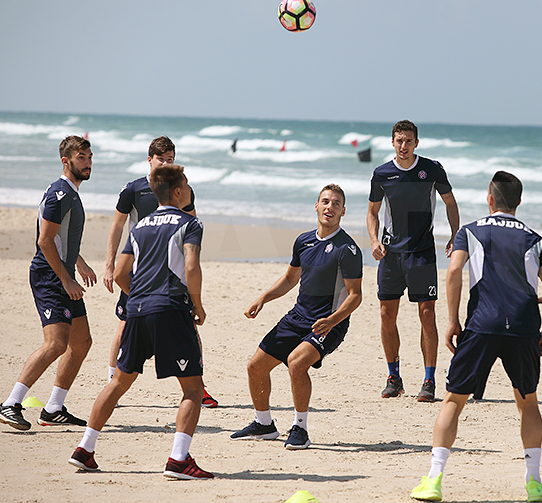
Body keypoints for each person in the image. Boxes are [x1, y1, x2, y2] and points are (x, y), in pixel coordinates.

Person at [411, 171, 542, 502]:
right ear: (518, 202)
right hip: (522, 325)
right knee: (528, 401)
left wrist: (452, 320)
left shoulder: (471, 231)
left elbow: (453, 271)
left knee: (453, 400)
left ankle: (434, 480)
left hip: (482, 322)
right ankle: (534, 483)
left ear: (490, 199)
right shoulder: (535, 239)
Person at [68, 164, 213, 479]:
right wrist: (197, 305)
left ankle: (85, 449)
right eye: (186, 184)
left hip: (136, 310)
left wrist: (142, 298)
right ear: (177, 191)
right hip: (172, 309)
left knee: (119, 382)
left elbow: (120, 274)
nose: (189, 189)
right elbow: (191, 266)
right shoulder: (190, 223)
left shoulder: (142, 225)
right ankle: (178, 460)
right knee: (192, 388)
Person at [231, 184, 362, 450]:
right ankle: (264, 424)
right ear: (316, 206)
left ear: (343, 211)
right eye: (325, 201)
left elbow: (355, 296)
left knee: (296, 362)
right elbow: (291, 278)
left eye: (336, 204)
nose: (330, 207)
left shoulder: (347, 249)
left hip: (328, 324)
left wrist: (332, 320)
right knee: (255, 366)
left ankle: (300, 428)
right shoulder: (304, 241)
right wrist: (262, 299)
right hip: (298, 317)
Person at [103, 136, 217, 407]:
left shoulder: (182, 190)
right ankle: (112, 382)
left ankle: (198, 387)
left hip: (172, 272)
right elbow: (117, 226)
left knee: (188, 323)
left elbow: (191, 223)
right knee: (124, 324)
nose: (166, 163)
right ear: (149, 160)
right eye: (161, 159)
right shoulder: (134, 189)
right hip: (139, 268)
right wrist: (110, 265)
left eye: (170, 159)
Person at [0, 136, 96, 431]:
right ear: (66, 161)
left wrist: (79, 262)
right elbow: (44, 240)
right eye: (81, 158)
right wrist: (65, 278)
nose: (87, 163)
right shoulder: (60, 195)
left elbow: (61, 239)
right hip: (50, 277)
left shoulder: (71, 194)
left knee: (81, 342)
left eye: (89, 157)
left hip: (63, 273)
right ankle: (10, 403)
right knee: (56, 344)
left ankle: (53, 408)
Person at [367, 120, 460, 402]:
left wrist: (455, 235)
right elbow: (372, 212)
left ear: (416, 143)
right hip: (391, 253)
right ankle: (393, 377)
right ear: (392, 142)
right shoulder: (382, 174)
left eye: (409, 141)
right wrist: (374, 241)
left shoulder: (431, 170)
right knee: (386, 315)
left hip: (421, 251)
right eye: (399, 140)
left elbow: (450, 202)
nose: (404, 145)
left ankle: (429, 380)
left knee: (427, 314)